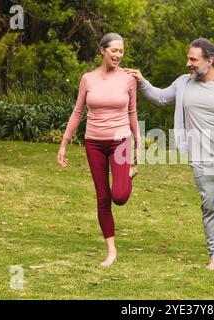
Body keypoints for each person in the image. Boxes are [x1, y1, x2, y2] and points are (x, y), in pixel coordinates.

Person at [125, 38, 214, 270]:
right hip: (203, 161)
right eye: (188, 58)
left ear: (209, 61)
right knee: (210, 208)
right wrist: (142, 81)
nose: (188, 63)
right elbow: (160, 97)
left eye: (193, 59)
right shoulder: (183, 83)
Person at [58, 33, 141, 267]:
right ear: (102, 50)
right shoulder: (88, 79)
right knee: (103, 197)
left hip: (120, 140)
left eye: (121, 51)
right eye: (114, 50)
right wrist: (64, 143)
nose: (118, 55)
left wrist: (138, 141)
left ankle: (129, 175)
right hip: (93, 142)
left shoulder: (128, 79)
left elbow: (132, 112)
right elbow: (77, 111)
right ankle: (111, 251)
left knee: (120, 197)